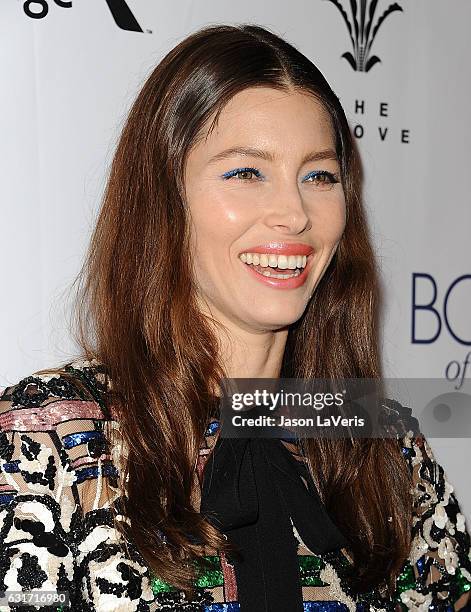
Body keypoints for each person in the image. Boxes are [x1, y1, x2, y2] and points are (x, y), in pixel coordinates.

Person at [0, 23, 470, 612]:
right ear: (165, 197)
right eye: (246, 173)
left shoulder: (385, 441)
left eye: (319, 176)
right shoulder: (45, 442)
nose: (294, 213)